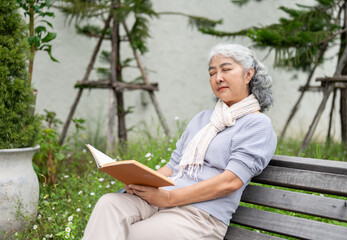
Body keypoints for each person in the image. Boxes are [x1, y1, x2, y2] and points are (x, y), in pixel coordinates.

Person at [82, 43, 277, 240]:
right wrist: (141, 183)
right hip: (162, 201)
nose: (218, 78)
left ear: (248, 75)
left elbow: (230, 181)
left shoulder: (257, 125)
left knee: (130, 235)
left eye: (226, 69)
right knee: (109, 204)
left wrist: (169, 198)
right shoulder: (203, 119)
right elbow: (174, 165)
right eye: (212, 72)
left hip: (200, 215)